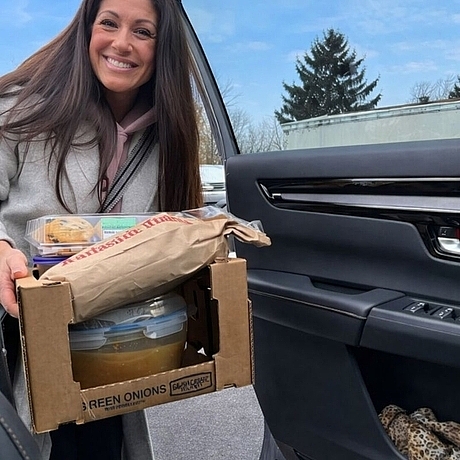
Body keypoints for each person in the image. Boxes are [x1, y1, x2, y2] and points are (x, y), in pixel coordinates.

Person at [0, 0, 202, 458]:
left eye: (143, 31)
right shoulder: (19, 107)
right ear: (87, 29)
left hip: (111, 345)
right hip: (19, 337)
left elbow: (174, 232)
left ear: (163, 47)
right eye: (109, 23)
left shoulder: (168, 136)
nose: (122, 43)